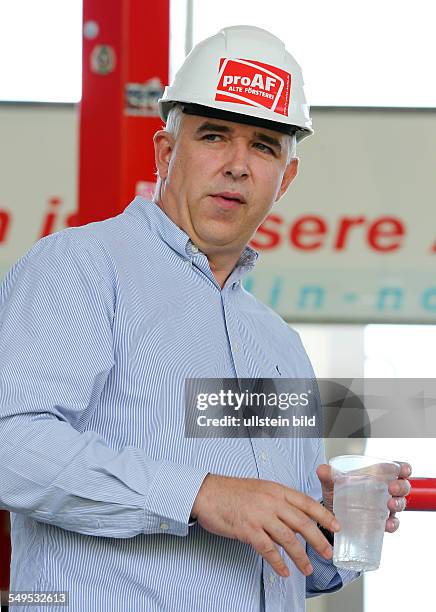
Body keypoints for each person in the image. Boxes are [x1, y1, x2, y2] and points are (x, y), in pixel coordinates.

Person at [0, 25, 411, 612]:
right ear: (166, 153)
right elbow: (10, 444)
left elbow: (291, 561)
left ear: (285, 180)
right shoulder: (82, 268)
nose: (238, 165)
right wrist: (199, 494)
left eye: (265, 146)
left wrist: (333, 527)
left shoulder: (278, 344)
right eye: (215, 136)